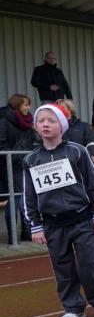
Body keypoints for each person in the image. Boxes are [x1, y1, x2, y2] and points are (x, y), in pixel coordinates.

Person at [22, 103, 94, 317]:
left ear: (62, 125)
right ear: (35, 126)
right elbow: (29, 196)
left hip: (81, 219)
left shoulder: (77, 151)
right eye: (41, 121)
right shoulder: (31, 160)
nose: (45, 124)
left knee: (89, 264)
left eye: (51, 120)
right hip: (52, 224)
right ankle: (73, 307)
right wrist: (35, 225)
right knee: (62, 267)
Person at [0, 94, 35, 243]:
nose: (28, 108)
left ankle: (26, 234)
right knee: (14, 198)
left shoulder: (28, 123)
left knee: (25, 198)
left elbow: (33, 142)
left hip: (25, 166)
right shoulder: (4, 121)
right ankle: (13, 237)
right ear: (17, 105)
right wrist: (17, 156)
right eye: (26, 105)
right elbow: (2, 145)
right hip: (10, 166)